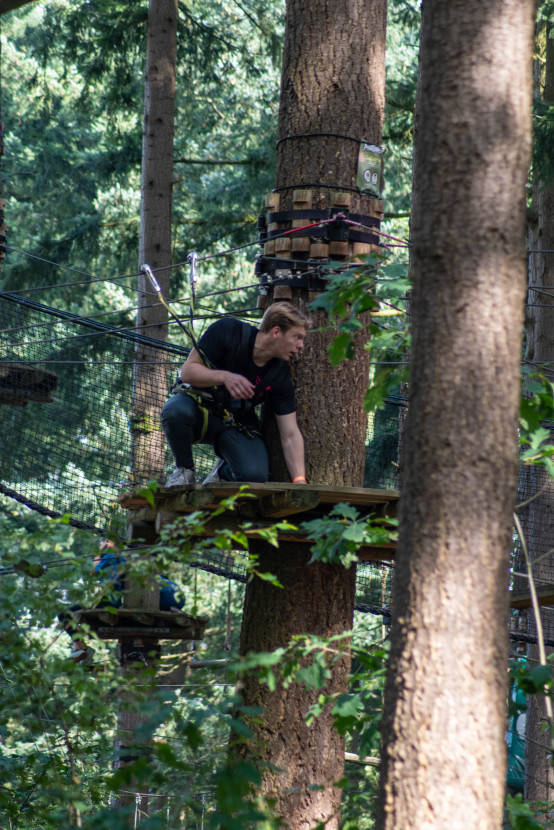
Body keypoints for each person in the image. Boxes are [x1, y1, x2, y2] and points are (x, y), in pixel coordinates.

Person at [161, 301, 309, 488]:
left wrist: (300, 481)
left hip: (233, 423)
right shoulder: (228, 331)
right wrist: (225, 377)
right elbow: (188, 372)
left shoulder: (279, 375)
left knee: (254, 475)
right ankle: (184, 470)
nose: (301, 345)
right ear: (276, 331)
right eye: (297, 337)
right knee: (175, 411)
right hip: (199, 410)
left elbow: (290, 433)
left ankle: (222, 472)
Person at [61, 540, 185, 662]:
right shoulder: (127, 559)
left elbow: (93, 570)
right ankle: (79, 646)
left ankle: (79, 645)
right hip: (174, 596)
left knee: (65, 614)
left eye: (106, 541)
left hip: (160, 596)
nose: (103, 544)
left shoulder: (112, 556)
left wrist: (100, 552)